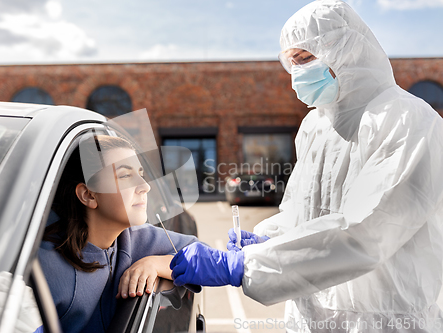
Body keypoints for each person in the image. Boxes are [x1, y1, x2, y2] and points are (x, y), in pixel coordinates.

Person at [169, 1, 443, 332]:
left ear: (347, 49)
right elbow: (302, 214)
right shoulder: (316, 127)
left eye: (306, 59)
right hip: (311, 318)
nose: (298, 73)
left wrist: (246, 265)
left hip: (383, 321)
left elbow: (366, 232)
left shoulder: (404, 119)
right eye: (292, 63)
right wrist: (263, 239)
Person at [38, 134, 197, 333]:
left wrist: (157, 264)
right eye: (125, 176)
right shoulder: (42, 266)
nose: (145, 187)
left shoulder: (136, 237)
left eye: (141, 174)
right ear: (88, 195)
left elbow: (203, 254)